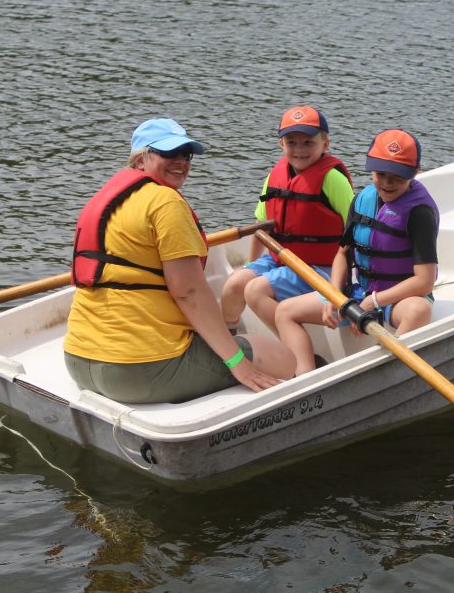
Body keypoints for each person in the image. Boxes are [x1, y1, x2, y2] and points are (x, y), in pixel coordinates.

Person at [63, 118, 296, 404]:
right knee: (281, 357)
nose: (181, 162)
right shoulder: (165, 203)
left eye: (186, 155)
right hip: (137, 371)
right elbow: (189, 292)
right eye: (168, 153)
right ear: (140, 159)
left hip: (78, 361)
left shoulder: (104, 198)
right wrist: (239, 363)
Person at [274, 129, 440, 376]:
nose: (387, 183)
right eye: (380, 174)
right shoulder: (363, 199)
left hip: (398, 299)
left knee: (419, 310)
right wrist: (333, 295)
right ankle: (305, 377)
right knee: (285, 311)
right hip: (360, 292)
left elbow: (424, 281)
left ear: (415, 173)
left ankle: (384, 372)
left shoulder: (419, 213)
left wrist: (374, 301)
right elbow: (342, 254)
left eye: (397, 177)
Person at [220, 106, 354, 334]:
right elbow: (262, 228)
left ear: (325, 144)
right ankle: (231, 338)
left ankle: (294, 348)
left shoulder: (332, 179)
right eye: (292, 142)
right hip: (283, 260)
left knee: (256, 289)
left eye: (308, 143)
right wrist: (253, 266)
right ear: (281, 144)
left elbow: (354, 231)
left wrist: (346, 283)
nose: (299, 150)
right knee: (234, 284)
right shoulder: (275, 175)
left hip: (323, 268)